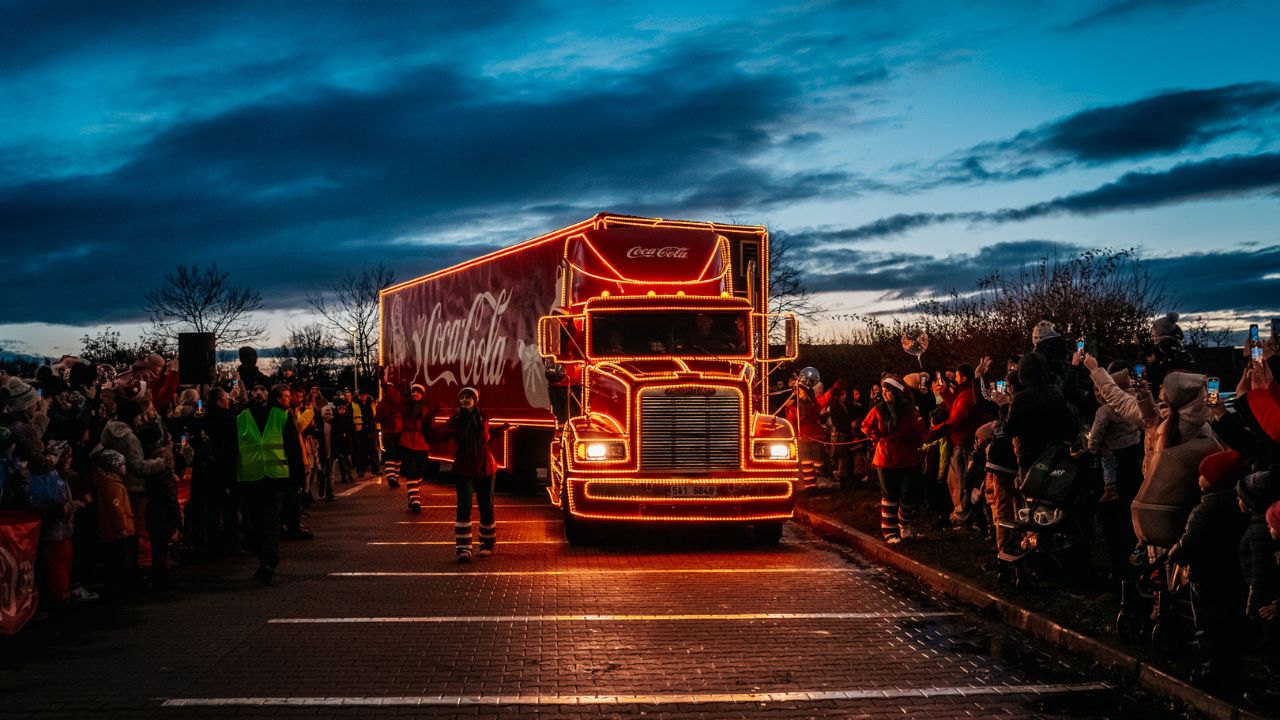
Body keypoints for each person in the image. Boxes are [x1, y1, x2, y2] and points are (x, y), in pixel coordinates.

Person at [1168, 450, 1249, 690]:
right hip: (1232, 574)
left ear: (1215, 480)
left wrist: (1175, 554)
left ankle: (1210, 671)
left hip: (1205, 575)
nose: (1198, 477)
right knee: (1229, 625)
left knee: (1208, 625)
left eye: (1203, 475)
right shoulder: (1239, 506)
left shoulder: (1205, 511)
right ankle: (1231, 670)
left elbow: (1190, 542)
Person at [235, 383, 305, 585]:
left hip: (275, 478)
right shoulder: (241, 417)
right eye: (254, 390)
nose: (258, 393)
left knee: (270, 522)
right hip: (250, 478)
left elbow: (292, 449)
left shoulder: (280, 416)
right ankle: (264, 559)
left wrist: (296, 477)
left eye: (261, 389)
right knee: (253, 524)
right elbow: (235, 449)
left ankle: (268, 562)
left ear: (269, 394)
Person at [429, 387, 504, 562]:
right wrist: (428, 422)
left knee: (487, 505)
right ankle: (463, 548)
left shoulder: (482, 417)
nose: (464, 400)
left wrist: (499, 431)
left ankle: (487, 544)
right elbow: (438, 436)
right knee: (464, 506)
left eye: (468, 397)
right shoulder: (455, 420)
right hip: (464, 467)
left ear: (475, 400)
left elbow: (484, 438)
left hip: (485, 466)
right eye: (462, 398)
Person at [861, 375, 926, 544]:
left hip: (907, 457)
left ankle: (904, 524)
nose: (885, 395)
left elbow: (920, 431)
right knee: (889, 496)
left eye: (888, 391)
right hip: (886, 457)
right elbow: (866, 425)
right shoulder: (879, 409)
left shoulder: (910, 410)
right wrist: (875, 435)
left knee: (907, 494)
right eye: (883, 391)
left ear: (896, 392)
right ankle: (890, 531)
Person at [398, 383, 432, 513]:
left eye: (418, 392)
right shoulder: (405, 406)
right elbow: (396, 401)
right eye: (413, 392)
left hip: (422, 443)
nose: (415, 394)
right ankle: (416, 500)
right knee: (411, 472)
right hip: (407, 441)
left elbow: (429, 426)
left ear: (422, 394)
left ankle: (412, 497)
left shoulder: (426, 408)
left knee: (420, 472)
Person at [377, 379, 404, 489]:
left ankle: (392, 477)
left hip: (390, 432)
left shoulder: (382, 404)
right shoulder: (398, 401)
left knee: (391, 456)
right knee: (395, 456)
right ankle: (393, 477)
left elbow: (377, 418)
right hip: (395, 431)